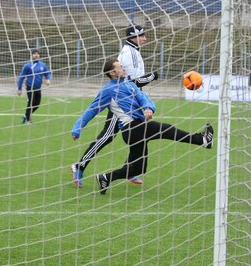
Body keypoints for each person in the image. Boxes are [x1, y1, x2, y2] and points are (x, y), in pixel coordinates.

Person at [72, 59, 213, 195]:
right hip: (131, 128)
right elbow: (91, 110)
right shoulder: (107, 90)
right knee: (167, 130)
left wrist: (148, 108)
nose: (123, 67)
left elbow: (143, 98)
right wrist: (77, 129)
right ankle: (202, 140)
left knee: (138, 168)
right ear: (112, 73)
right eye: (120, 67)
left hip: (137, 129)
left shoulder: (129, 85)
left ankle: (106, 178)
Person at [70, 24, 158, 188]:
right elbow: (133, 82)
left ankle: (130, 170)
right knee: (108, 135)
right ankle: (79, 166)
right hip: (121, 103)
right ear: (134, 37)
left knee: (139, 135)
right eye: (142, 35)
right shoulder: (129, 53)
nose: (145, 38)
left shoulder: (133, 52)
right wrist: (152, 76)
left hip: (130, 102)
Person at [16, 49, 52, 124]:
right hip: (30, 87)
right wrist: (19, 88)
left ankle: (25, 116)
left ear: (39, 55)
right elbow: (22, 77)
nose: (36, 55)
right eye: (34, 54)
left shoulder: (42, 65)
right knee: (31, 103)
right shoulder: (27, 66)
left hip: (38, 88)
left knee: (37, 104)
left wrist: (48, 79)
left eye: (37, 54)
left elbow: (48, 73)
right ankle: (28, 121)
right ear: (32, 55)